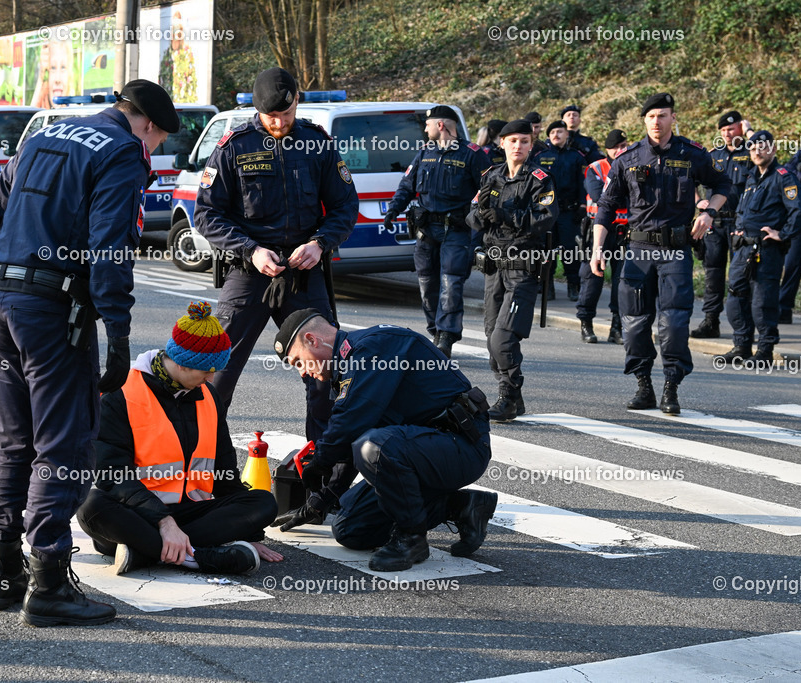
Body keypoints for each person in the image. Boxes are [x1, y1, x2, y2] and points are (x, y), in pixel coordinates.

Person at [0, 79, 179, 627]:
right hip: (54, 315)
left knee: (15, 441)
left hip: (1, 305)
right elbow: (109, 248)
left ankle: (3, 572)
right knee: (62, 445)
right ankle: (49, 584)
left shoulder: (42, 136)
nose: (151, 154)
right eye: (155, 144)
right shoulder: (122, 151)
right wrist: (118, 329)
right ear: (149, 126)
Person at [194, 67, 358, 442]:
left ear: (297, 102)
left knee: (325, 374)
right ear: (257, 109)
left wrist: (320, 243)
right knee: (217, 373)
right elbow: (206, 214)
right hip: (249, 272)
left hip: (303, 271)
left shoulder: (317, 143)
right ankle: (205, 467)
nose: (280, 123)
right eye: (271, 117)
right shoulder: (234, 145)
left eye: (286, 114)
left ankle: (321, 472)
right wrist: (249, 250)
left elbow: (346, 206)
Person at [271, 310, 496, 572]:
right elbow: (351, 435)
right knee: (350, 529)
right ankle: (461, 506)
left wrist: (321, 460)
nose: (302, 373)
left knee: (375, 447)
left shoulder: (373, 347)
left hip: (460, 447)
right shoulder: (347, 367)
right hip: (417, 453)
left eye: (298, 362)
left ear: (312, 340)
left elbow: (352, 420)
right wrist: (320, 500)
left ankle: (412, 539)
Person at [76, 301, 282, 576]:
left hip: (191, 513)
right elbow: (113, 476)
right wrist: (164, 521)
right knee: (91, 505)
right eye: (206, 370)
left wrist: (250, 530)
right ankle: (196, 557)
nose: (210, 378)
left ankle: (146, 551)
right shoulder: (121, 393)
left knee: (263, 503)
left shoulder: (209, 397)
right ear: (184, 364)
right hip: (138, 513)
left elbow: (224, 472)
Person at [592, 93, 731, 415]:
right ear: (644, 120)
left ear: (673, 118)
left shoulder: (692, 154)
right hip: (638, 250)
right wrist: (597, 249)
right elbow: (606, 207)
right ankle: (644, 385)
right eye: (652, 116)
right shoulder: (627, 158)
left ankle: (672, 387)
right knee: (635, 322)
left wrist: (709, 211)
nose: (657, 121)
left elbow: (723, 184)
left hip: (676, 251)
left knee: (674, 322)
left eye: (663, 115)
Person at [466, 119, 559, 422]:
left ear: (532, 145)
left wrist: (508, 214)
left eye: (525, 141)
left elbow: (545, 218)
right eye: (513, 141)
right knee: (491, 335)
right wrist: (481, 214)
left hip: (522, 267)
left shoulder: (540, 179)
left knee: (503, 338)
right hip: (494, 267)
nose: (518, 146)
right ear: (502, 143)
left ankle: (509, 395)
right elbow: (472, 216)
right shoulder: (490, 176)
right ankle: (511, 397)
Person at [384, 105, 490, 356]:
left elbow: (489, 190)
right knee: (426, 283)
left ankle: (446, 335)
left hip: (456, 231)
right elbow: (406, 186)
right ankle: (435, 330)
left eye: (428, 124)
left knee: (451, 282)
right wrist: (392, 211)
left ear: (441, 125)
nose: (425, 128)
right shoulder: (424, 153)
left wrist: (482, 221)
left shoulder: (473, 155)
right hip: (426, 230)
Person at [715, 131, 801, 364]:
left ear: (773, 150)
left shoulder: (784, 177)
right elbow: (742, 210)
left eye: (762, 147)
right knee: (735, 295)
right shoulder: (751, 176)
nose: (756, 152)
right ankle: (742, 345)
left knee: (762, 300)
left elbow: (799, 210)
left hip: (766, 250)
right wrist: (737, 227)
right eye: (753, 148)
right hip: (743, 248)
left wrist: (782, 234)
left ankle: (764, 349)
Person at [691, 111, 753, 339]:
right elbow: (691, 182)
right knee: (713, 273)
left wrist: (750, 132)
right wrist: (699, 202)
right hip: (715, 223)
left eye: (732, 129)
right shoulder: (711, 156)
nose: (728, 134)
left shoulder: (752, 153)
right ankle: (710, 322)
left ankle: (744, 326)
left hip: (741, 223)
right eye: (724, 131)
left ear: (741, 129)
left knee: (743, 276)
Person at [576, 129, 629, 343]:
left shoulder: (633, 166)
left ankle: (616, 326)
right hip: (599, 229)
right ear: (607, 149)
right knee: (591, 277)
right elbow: (600, 196)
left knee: (622, 280)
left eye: (623, 146)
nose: (620, 150)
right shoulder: (595, 168)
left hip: (625, 231)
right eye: (615, 147)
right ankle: (586, 323)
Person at [534, 120, 587, 300]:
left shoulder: (577, 157)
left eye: (560, 132)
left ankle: (573, 285)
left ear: (567, 134)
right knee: (546, 248)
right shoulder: (540, 156)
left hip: (568, 212)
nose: (556, 135)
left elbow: (582, 184)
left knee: (569, 249)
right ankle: (547, 285)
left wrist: (582, 205)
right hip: (547, 212)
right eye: (553, 132)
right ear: (548, 136)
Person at [779, 142, 801, 326]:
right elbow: (786, 169)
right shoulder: (799, 163)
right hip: (800, 226)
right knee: (791, 267)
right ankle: (783, 310)